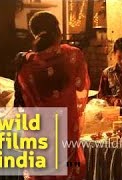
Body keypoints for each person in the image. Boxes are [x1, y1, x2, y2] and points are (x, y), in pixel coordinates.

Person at [14, 11, 90, 179]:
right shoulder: (72, 55)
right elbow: (81, 85)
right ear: (57, 30)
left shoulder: (25, 63)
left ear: (34, 34)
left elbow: (23, 99)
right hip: (66, 132)